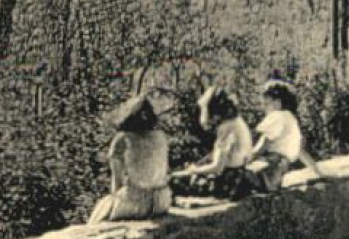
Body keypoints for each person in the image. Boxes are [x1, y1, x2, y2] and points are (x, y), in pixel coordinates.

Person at [231, 79, 325, 199]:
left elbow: (261, 145)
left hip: (264, 172)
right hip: (275, 177)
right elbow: (301, 152)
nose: (264, 108)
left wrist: (241, 162)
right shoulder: (291, 119)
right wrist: (319, 173)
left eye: (266, 103)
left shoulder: (276, 116)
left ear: (277, 102)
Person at [87, 95, 172, 224]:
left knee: (99, 214)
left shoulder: (122, 139)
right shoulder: (161, 137)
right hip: (161, 201)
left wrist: (113, 202)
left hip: (136, 202)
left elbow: (117, 182)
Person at [170, 86, 253, 199]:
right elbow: (220, 155)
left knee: (172, 181)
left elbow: (217, 167)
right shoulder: (236, 121)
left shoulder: (226, 128)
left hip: (228, 181)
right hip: (237, 176)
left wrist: (193, 170)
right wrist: (200, 163)